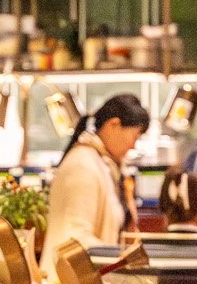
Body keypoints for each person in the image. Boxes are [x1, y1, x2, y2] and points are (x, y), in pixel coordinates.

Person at [41, 92, 152, 264]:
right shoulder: (83, 166)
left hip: (88, 283)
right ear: (114, 124)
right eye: (135, 136)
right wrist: (119, 260)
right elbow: (75, 240)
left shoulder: (104, 165)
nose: (133, 145)